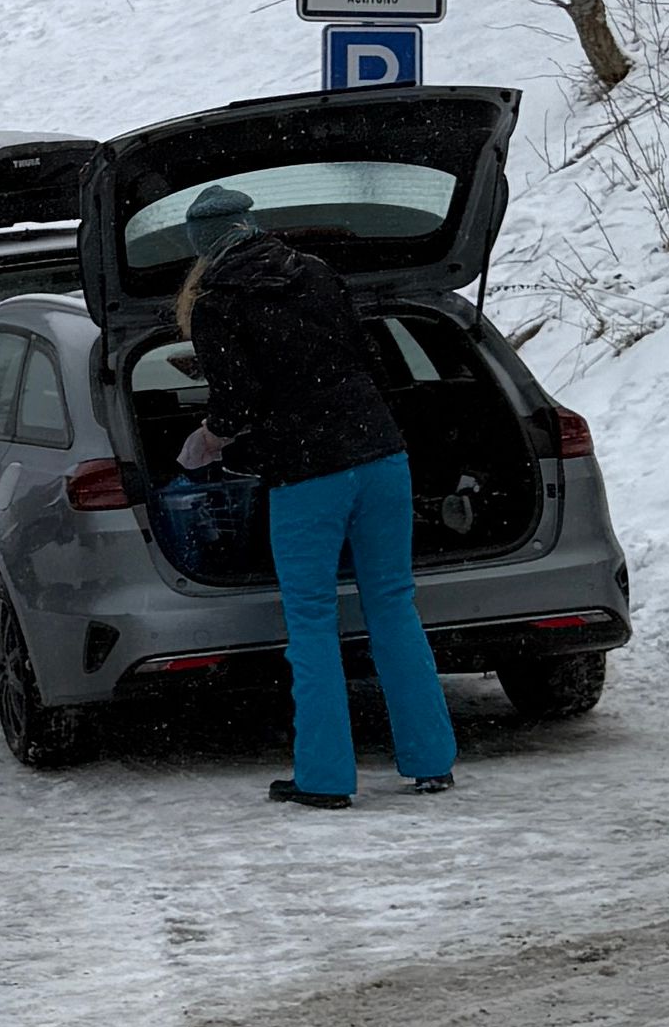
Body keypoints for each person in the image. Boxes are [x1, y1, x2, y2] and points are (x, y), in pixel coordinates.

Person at [174, 183, 457, 808]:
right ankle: (431, 758)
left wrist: (205, 443)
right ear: (253, 225)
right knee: (393, 607)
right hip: (380, 453)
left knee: (311, 623)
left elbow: (238, 403)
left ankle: (325, 778)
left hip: (308, 474)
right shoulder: (317, 272)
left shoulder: (220, 304)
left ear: (199, 248)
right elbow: (359, 355)